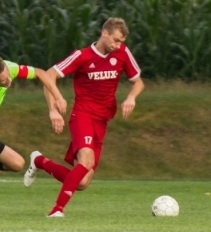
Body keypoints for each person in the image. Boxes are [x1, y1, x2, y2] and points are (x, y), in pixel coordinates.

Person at [23, 17, 144, 217]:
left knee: (82, 182)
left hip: (102, 120)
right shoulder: (82, 56)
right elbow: (48, 75)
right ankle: (57, 210)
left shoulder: (122, 53)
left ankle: (39, 162)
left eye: (121, 41)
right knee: (86, 160)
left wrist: (131, 97)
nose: (118, 45)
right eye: (115, 40)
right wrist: (52, 109)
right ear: (104, 33)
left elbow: (138, 82)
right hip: (83, 115)